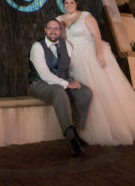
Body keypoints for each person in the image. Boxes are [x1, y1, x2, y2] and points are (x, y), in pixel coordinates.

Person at [57, 0, 135, 145]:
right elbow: (61, 39)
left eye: (71, 2)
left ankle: (113, 127)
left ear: (76, 3)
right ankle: (83, 127)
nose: (68, 5)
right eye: (66, 2)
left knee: (101, 90)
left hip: (90, 54)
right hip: (74, 59)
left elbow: (96, 35)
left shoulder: (86, 16)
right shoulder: (59, 19)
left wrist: (99, 55)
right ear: (63, 4)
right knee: (83, 92)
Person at [28, 18, 93, 156]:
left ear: (60, 31)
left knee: (85, 93)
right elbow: (45, 75)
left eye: (56, 28)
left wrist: (73, 81)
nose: (53, 31)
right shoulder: (37, 47)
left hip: (64, 81)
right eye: (50, 28)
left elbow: (70, 67)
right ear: (45, 30)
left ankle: (76, 131)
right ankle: (71, 139)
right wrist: (67, 84)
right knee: (59, 91)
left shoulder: (66, 45)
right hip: (39, 84)